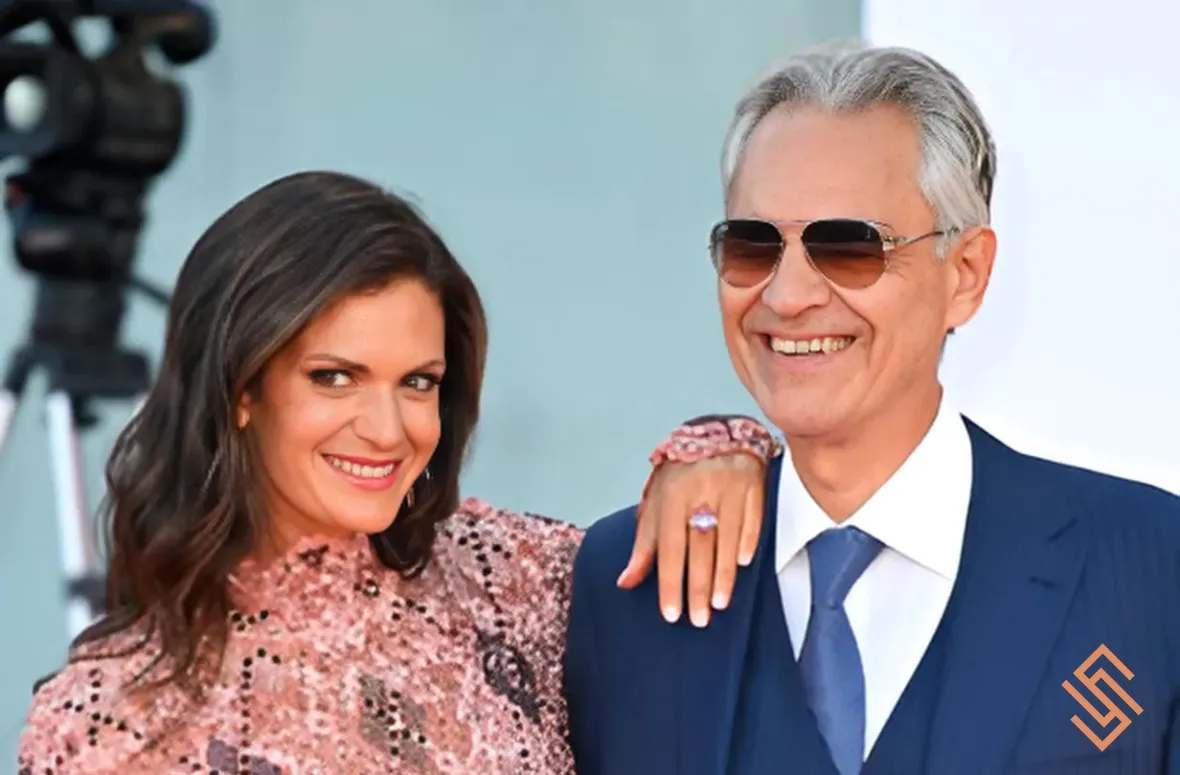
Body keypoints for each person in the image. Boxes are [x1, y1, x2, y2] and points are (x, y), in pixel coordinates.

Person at [16, 170, 779, 775]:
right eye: (336, 376)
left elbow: (725, 573)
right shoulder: (106, 720)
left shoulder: (505, 576)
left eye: (418, 382)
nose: (389, 430)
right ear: (242, 389)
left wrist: (718, 453)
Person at [565, 41, 1180, 775]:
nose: (787, 295)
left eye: (849, 246)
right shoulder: (627, 583)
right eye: (753, 245)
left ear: (966, 274)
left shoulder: (1148, 565)